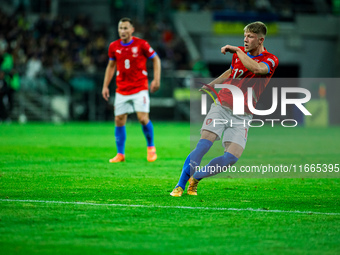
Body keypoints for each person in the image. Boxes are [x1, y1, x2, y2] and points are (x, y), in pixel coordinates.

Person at [170, 21, 279, 197]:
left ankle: (196, 178)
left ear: (260, 40)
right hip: (222, 106)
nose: (245, 40)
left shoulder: (270, 59)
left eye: (250, 36)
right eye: (244, 36)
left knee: (231, 158)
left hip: (243, 114)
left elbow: (257, 69)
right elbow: (230, 71)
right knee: (204, 143)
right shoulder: (239, 55)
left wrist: (237, 51)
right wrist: (212, 85)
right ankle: (180, 185)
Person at [102, 17, 161, 163]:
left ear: (132, 30)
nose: (123, 31)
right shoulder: (114, 46)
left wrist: (156, 79)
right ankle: (120, 154)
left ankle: (151, 148)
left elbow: (156, 59)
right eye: (120, 28)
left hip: (140, 87)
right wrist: (105, 85)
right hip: (122, 88)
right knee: (119, 120)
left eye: (125, 28)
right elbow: (111, 66)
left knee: (142, 118)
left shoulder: (141, 44)